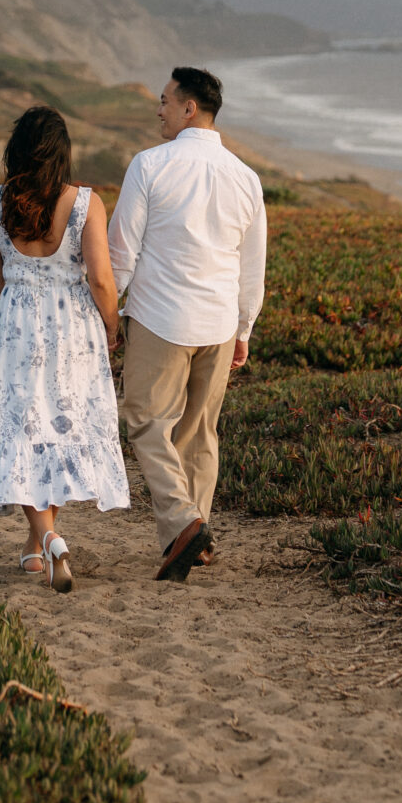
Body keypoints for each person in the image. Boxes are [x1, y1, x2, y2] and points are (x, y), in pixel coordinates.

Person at [109, 65, 267, 582]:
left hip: (160, 316)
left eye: (164, 100)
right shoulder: (246, 177)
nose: (158, 109)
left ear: (188, 108)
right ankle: (193, 542)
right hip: (220, 321)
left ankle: (184, 523)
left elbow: (121, 252)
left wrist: (108, 314)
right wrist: (244, 330)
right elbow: (252, 266)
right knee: (200, 432)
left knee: (145, 421)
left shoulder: (149, 165)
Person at [0, 104, 130, 592]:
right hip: (72, 330)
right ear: (61, 155)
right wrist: (110, 327)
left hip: (19, 322)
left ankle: (40, 541)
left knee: (22, 430)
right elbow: (102, 279)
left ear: (16, 151)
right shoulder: (85, 203)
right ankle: (48, 537)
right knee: (57, 428)